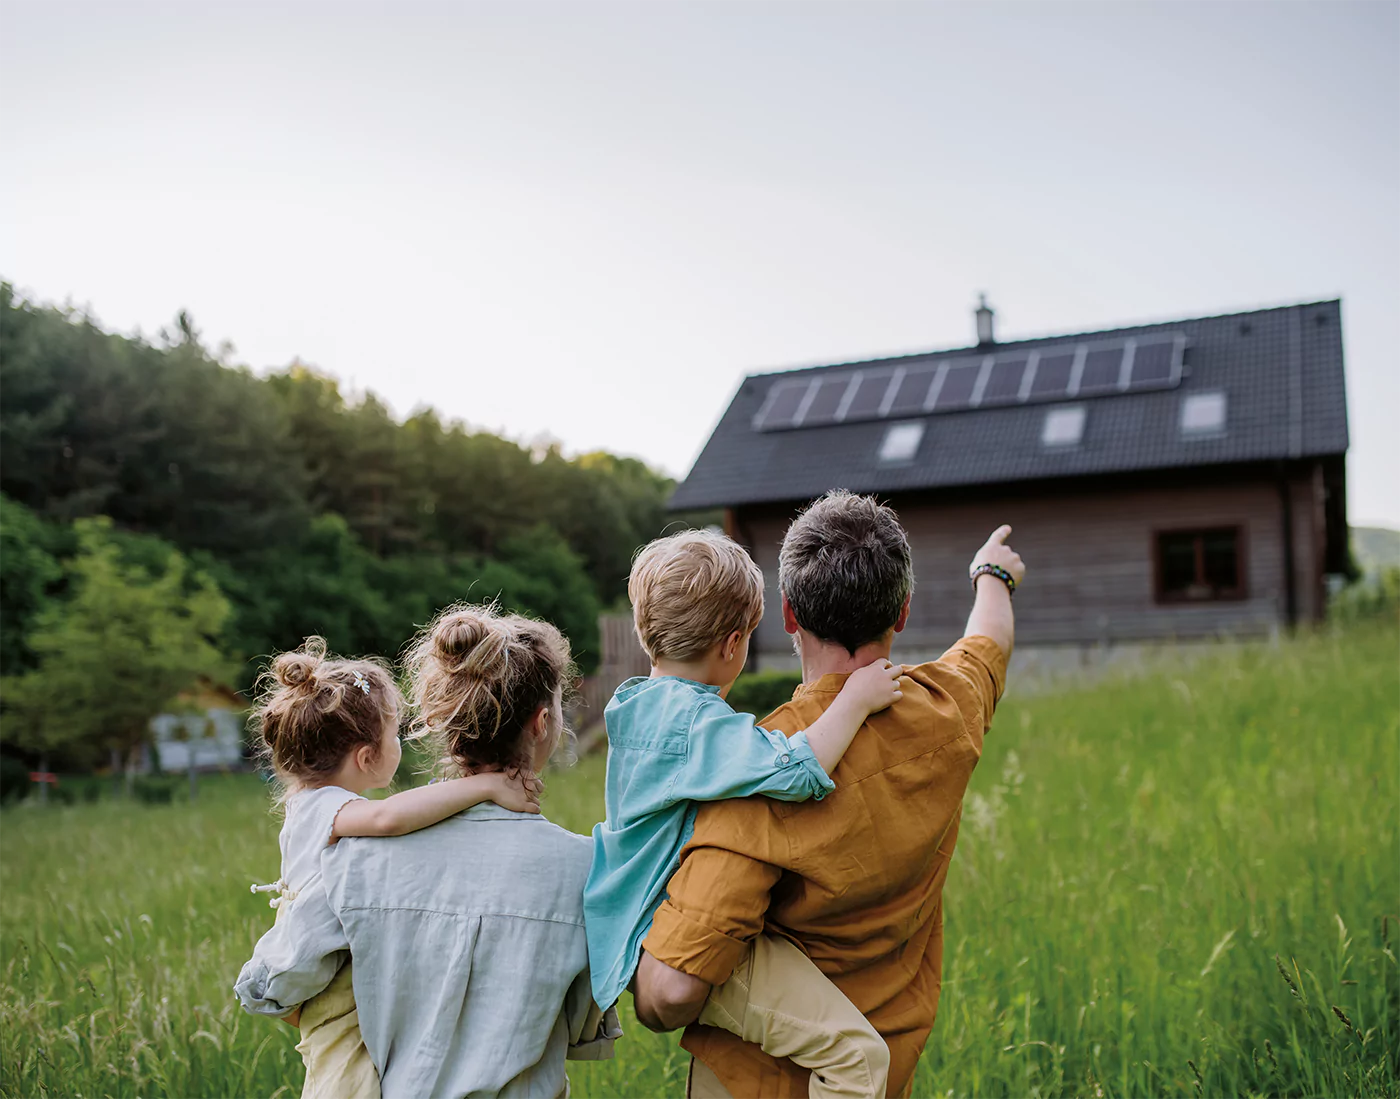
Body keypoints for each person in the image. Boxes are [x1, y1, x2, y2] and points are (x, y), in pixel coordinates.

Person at [632, 491, 1025, 1099]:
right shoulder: (949, 708)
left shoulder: (755, 771)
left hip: (752, 1084)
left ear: (789, 614)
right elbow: (987, 644)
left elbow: (669, 993)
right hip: (881, 1074)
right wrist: (993, 574)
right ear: (902, 611)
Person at [235, 606, 620, 1099]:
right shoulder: (588, 870)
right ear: (543, 722)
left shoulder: (353, 859)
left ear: (442, 720)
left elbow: (275, 985)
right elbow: (584, 1026)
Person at [586, 528, 904, 1099]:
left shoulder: (633, 705)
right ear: (733, 645)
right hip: (668, 938)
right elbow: (796, 770)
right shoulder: (694, 725)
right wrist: (856, 698)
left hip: (635, 931)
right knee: (858, 1059)